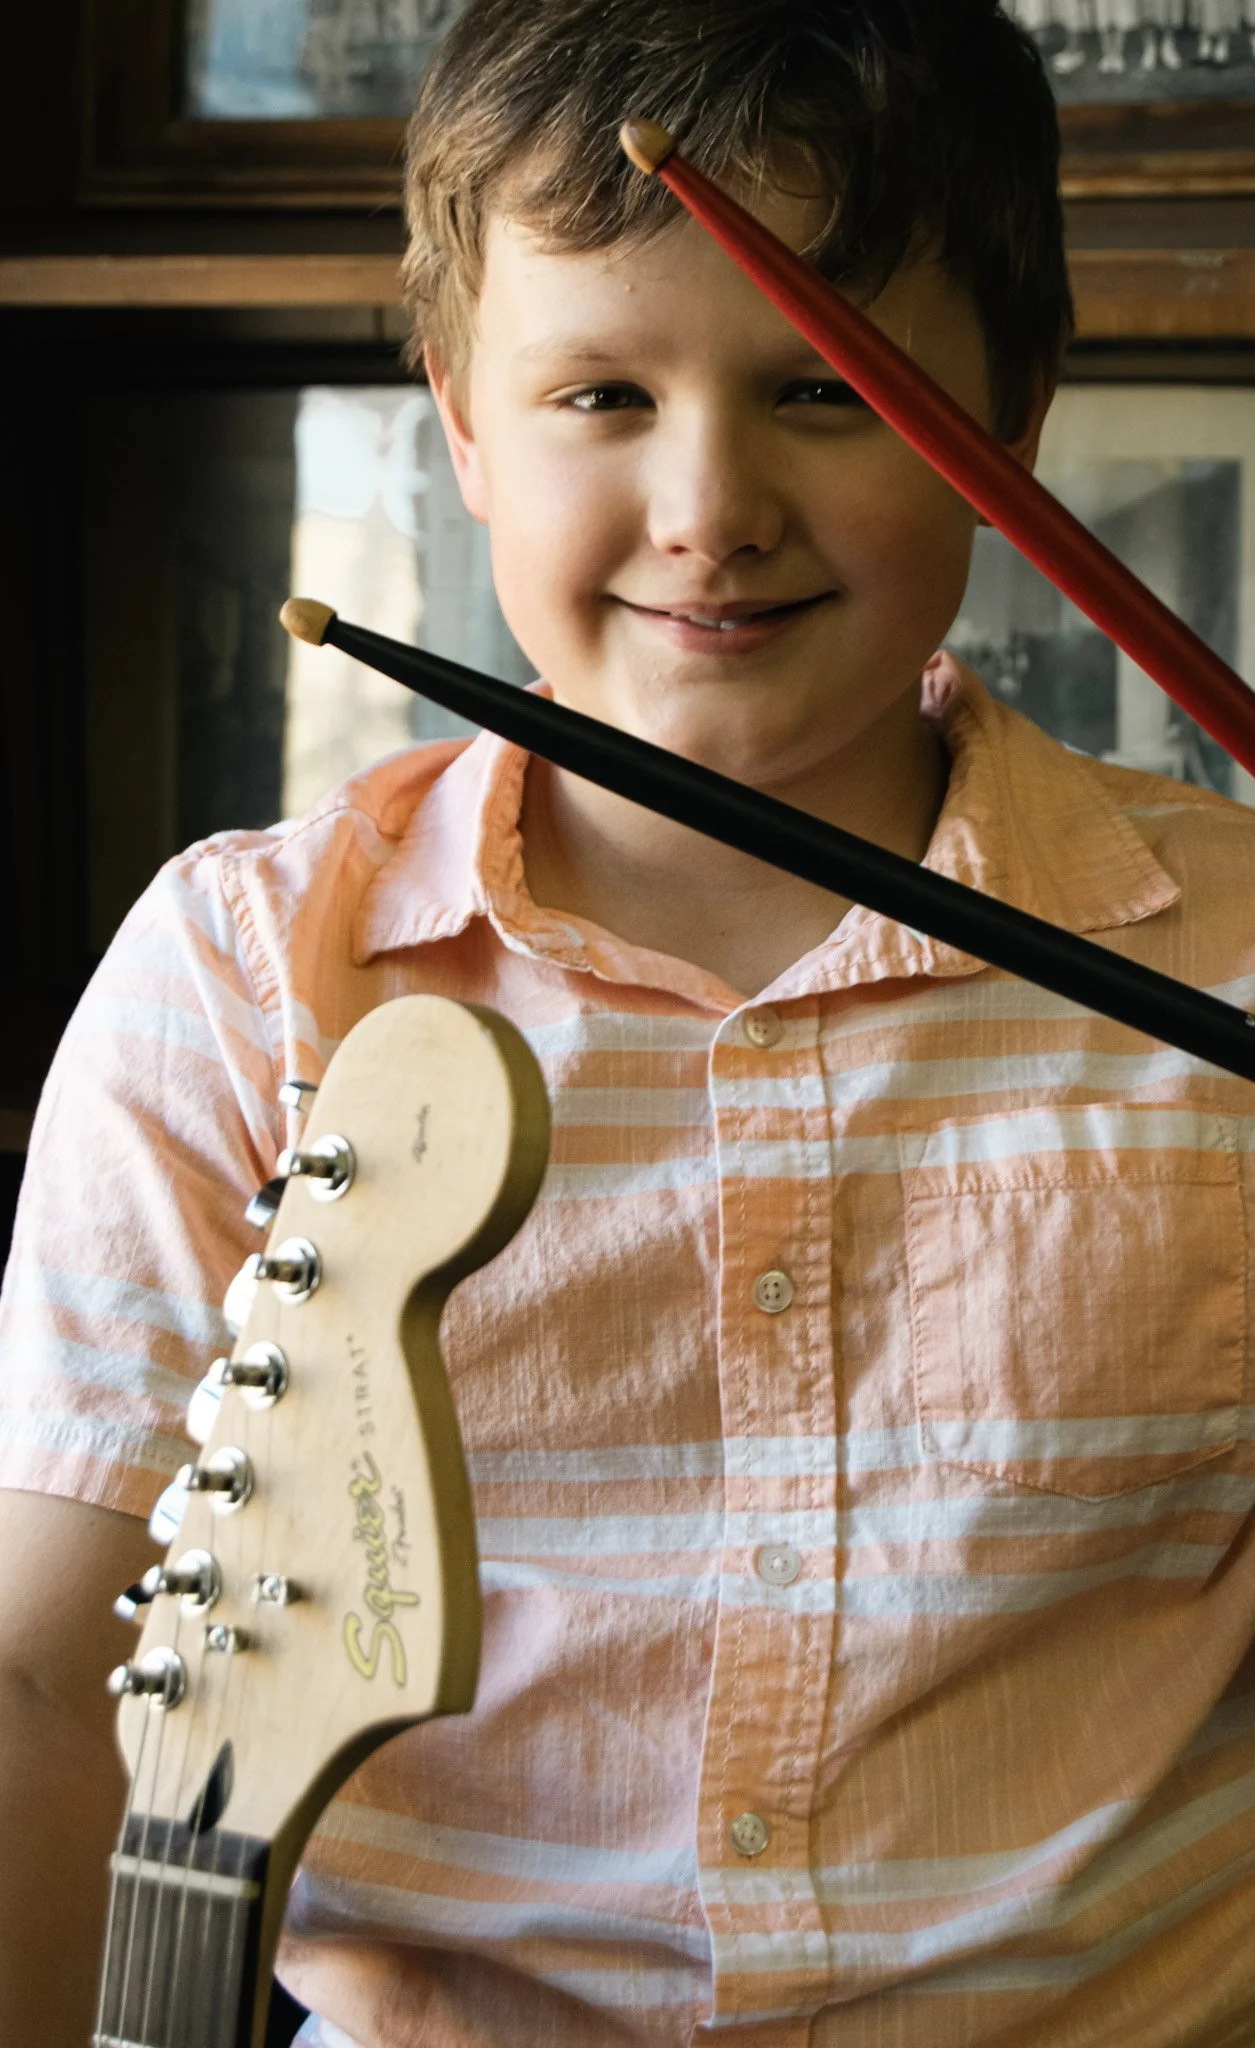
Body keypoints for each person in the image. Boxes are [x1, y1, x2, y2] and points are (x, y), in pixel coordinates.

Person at [4, 1, 1255, 2043]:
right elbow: (47, 1689)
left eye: (825, 393)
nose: (709, 504)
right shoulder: (243, 972)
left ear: (1009, 417)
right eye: (600, 390)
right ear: (462, 423)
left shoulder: (1234, 956)